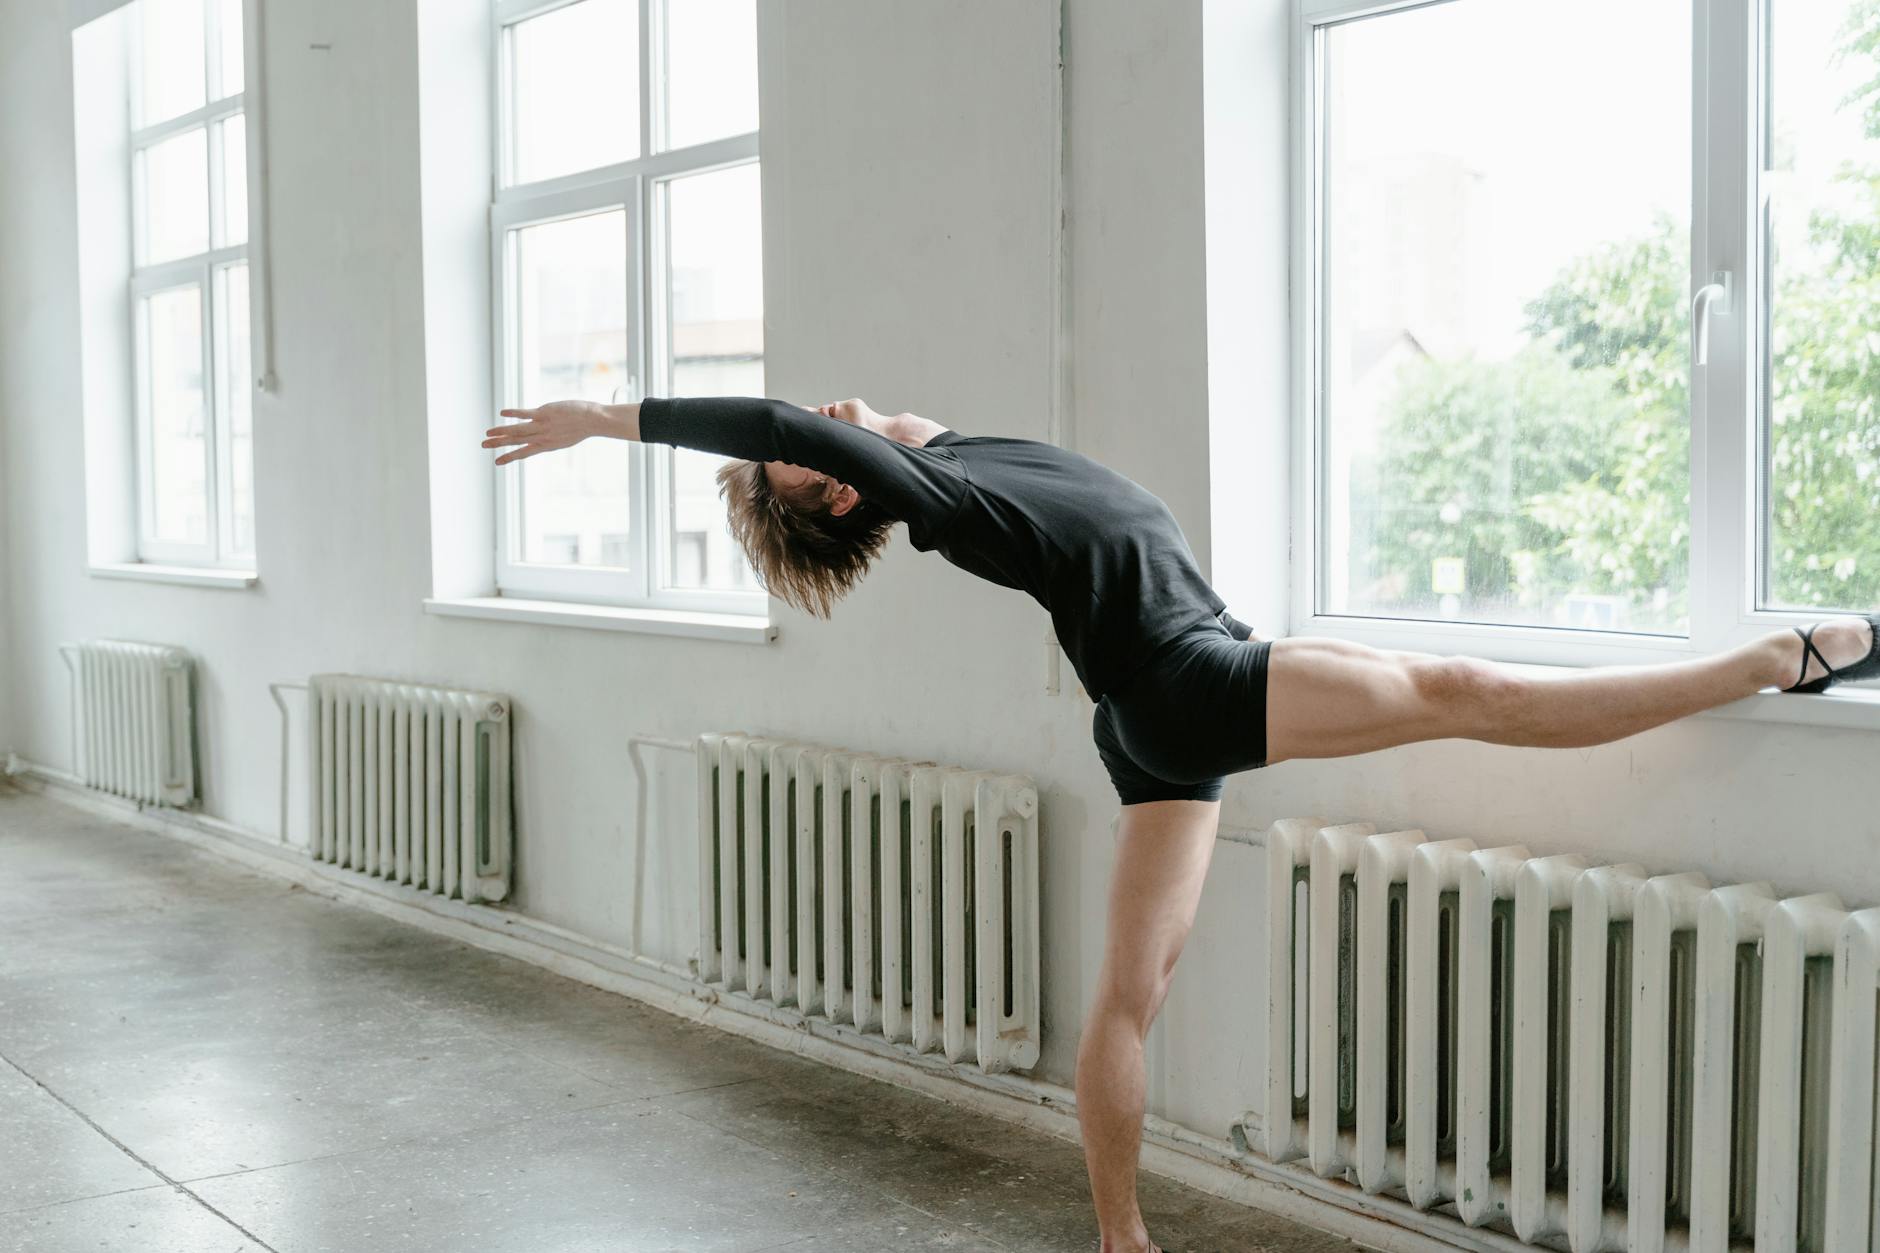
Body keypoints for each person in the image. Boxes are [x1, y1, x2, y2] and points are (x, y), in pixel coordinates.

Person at [484, 394, 1880, 1253]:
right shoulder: (939, 493)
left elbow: (818, 434)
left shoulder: (959, 453)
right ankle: (1778, 658)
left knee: (1128, 997)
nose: (822, 418)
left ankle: (1122, 1238)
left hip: (1149, 709)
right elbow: (781, 432)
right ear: (842, 485)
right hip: (1189, 681)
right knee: (1471, 692)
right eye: (812, 454)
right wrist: (608, 421)